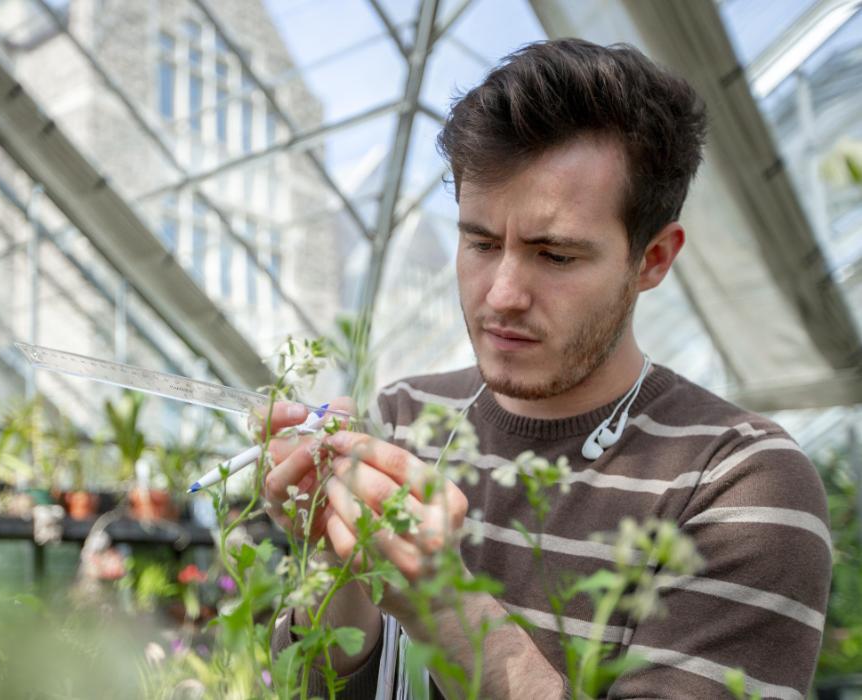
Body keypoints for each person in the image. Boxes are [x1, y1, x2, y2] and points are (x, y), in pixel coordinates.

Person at [261, 38, 831, 699]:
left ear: (652, 259)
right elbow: (311, 687)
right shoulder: (403, 418)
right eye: (478, 241)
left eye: (554, 255)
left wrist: (445, 606)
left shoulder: (741, 482)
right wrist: (338, 572)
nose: (501, 293)